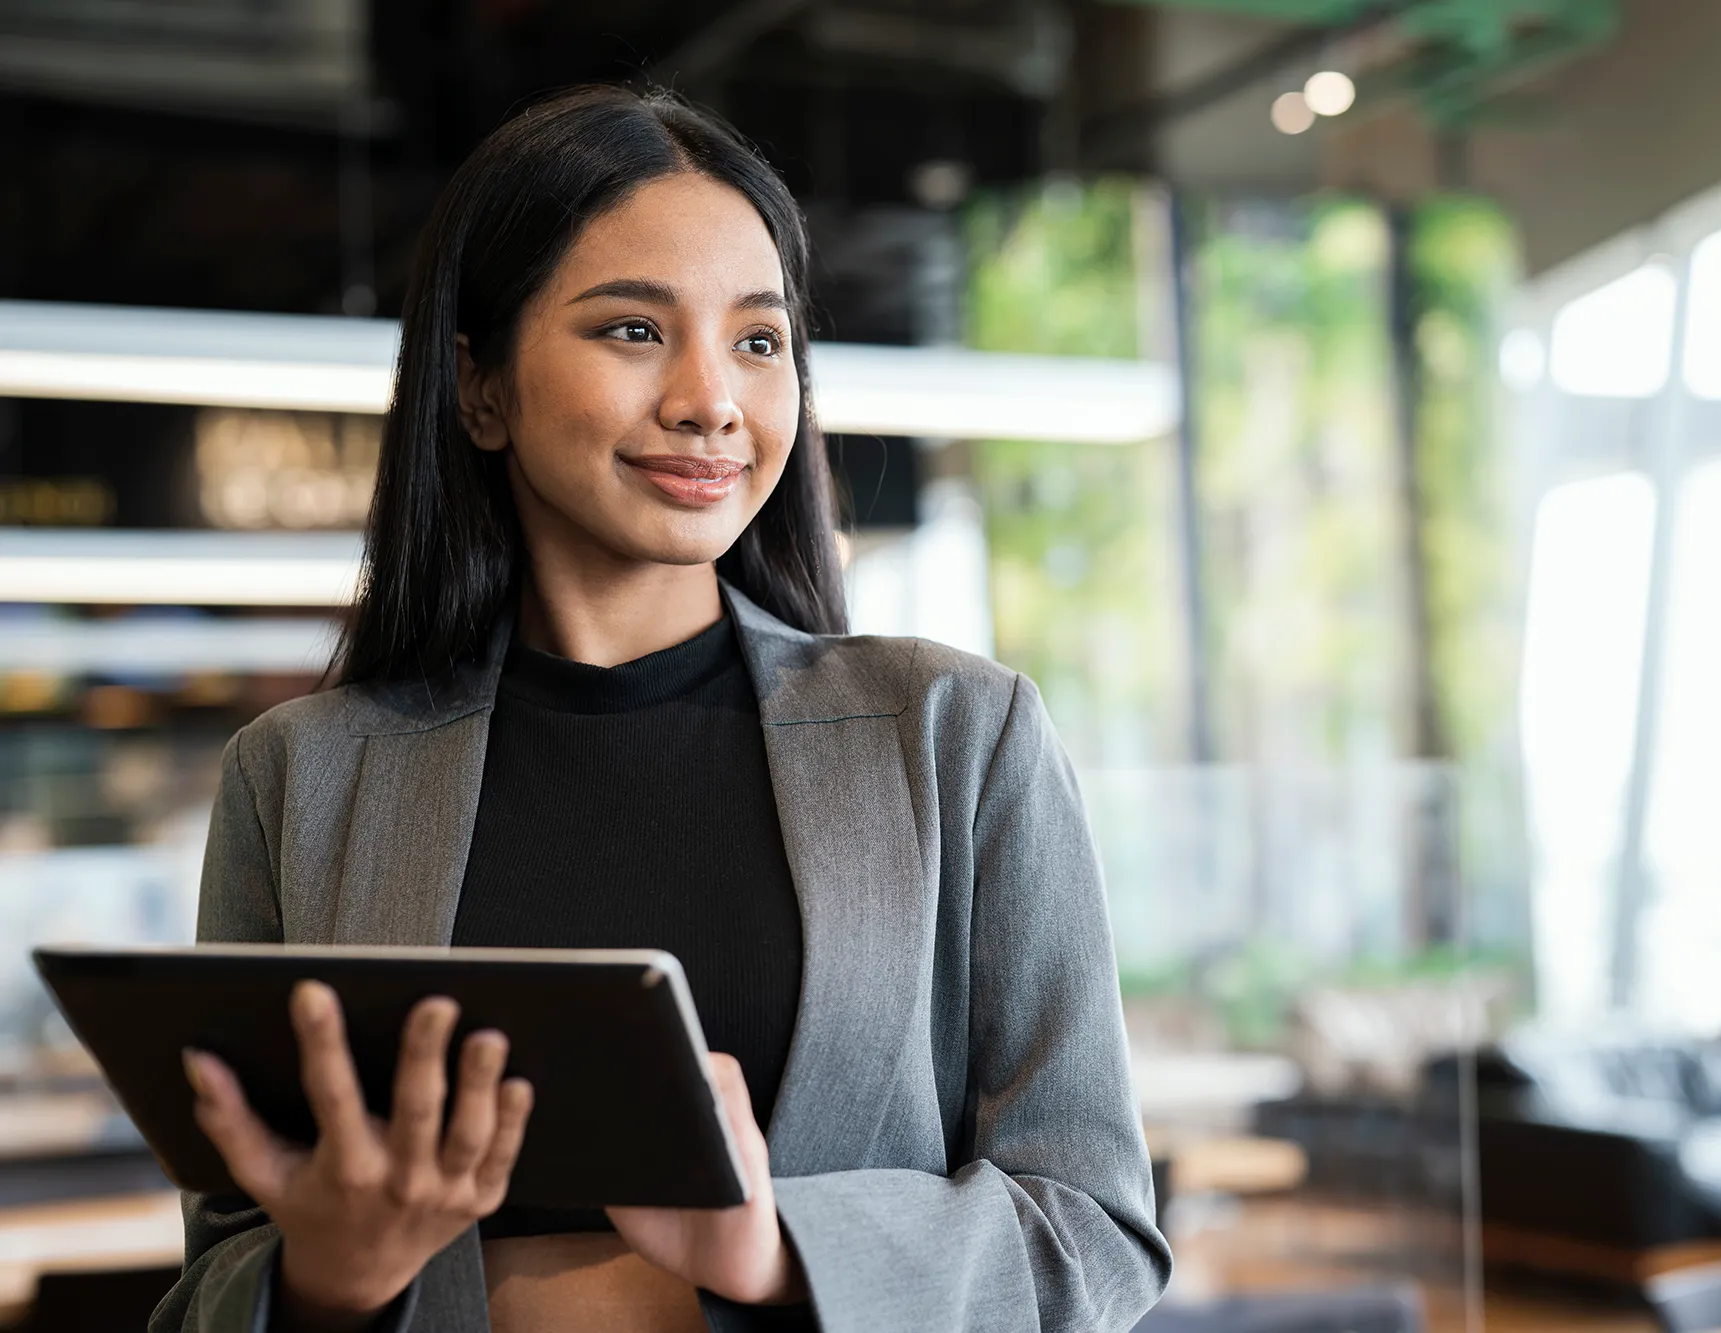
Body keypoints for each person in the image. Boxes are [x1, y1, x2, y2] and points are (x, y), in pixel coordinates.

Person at [151, 86, 1169, 1333]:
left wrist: (776, 1249)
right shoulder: (302, 779)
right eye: (633, 330)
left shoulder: (955, 734)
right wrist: (329, 1279)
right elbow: (209, 1287)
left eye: (757, 340)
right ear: (477, 387)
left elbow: (1097, 1236)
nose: (711, 399)